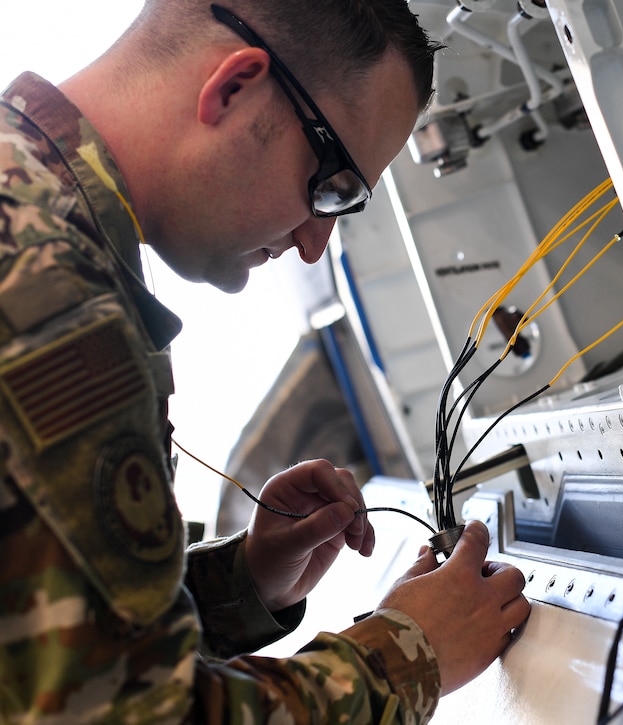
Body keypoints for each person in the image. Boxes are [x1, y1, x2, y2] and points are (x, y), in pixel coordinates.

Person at [0, 0, 530, 722]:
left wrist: (240, 581)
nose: (315, 244)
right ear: (234, 87)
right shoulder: (47, 285)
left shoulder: (26, 210)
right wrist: (409, 651)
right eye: (332, 186)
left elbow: (35, 642)